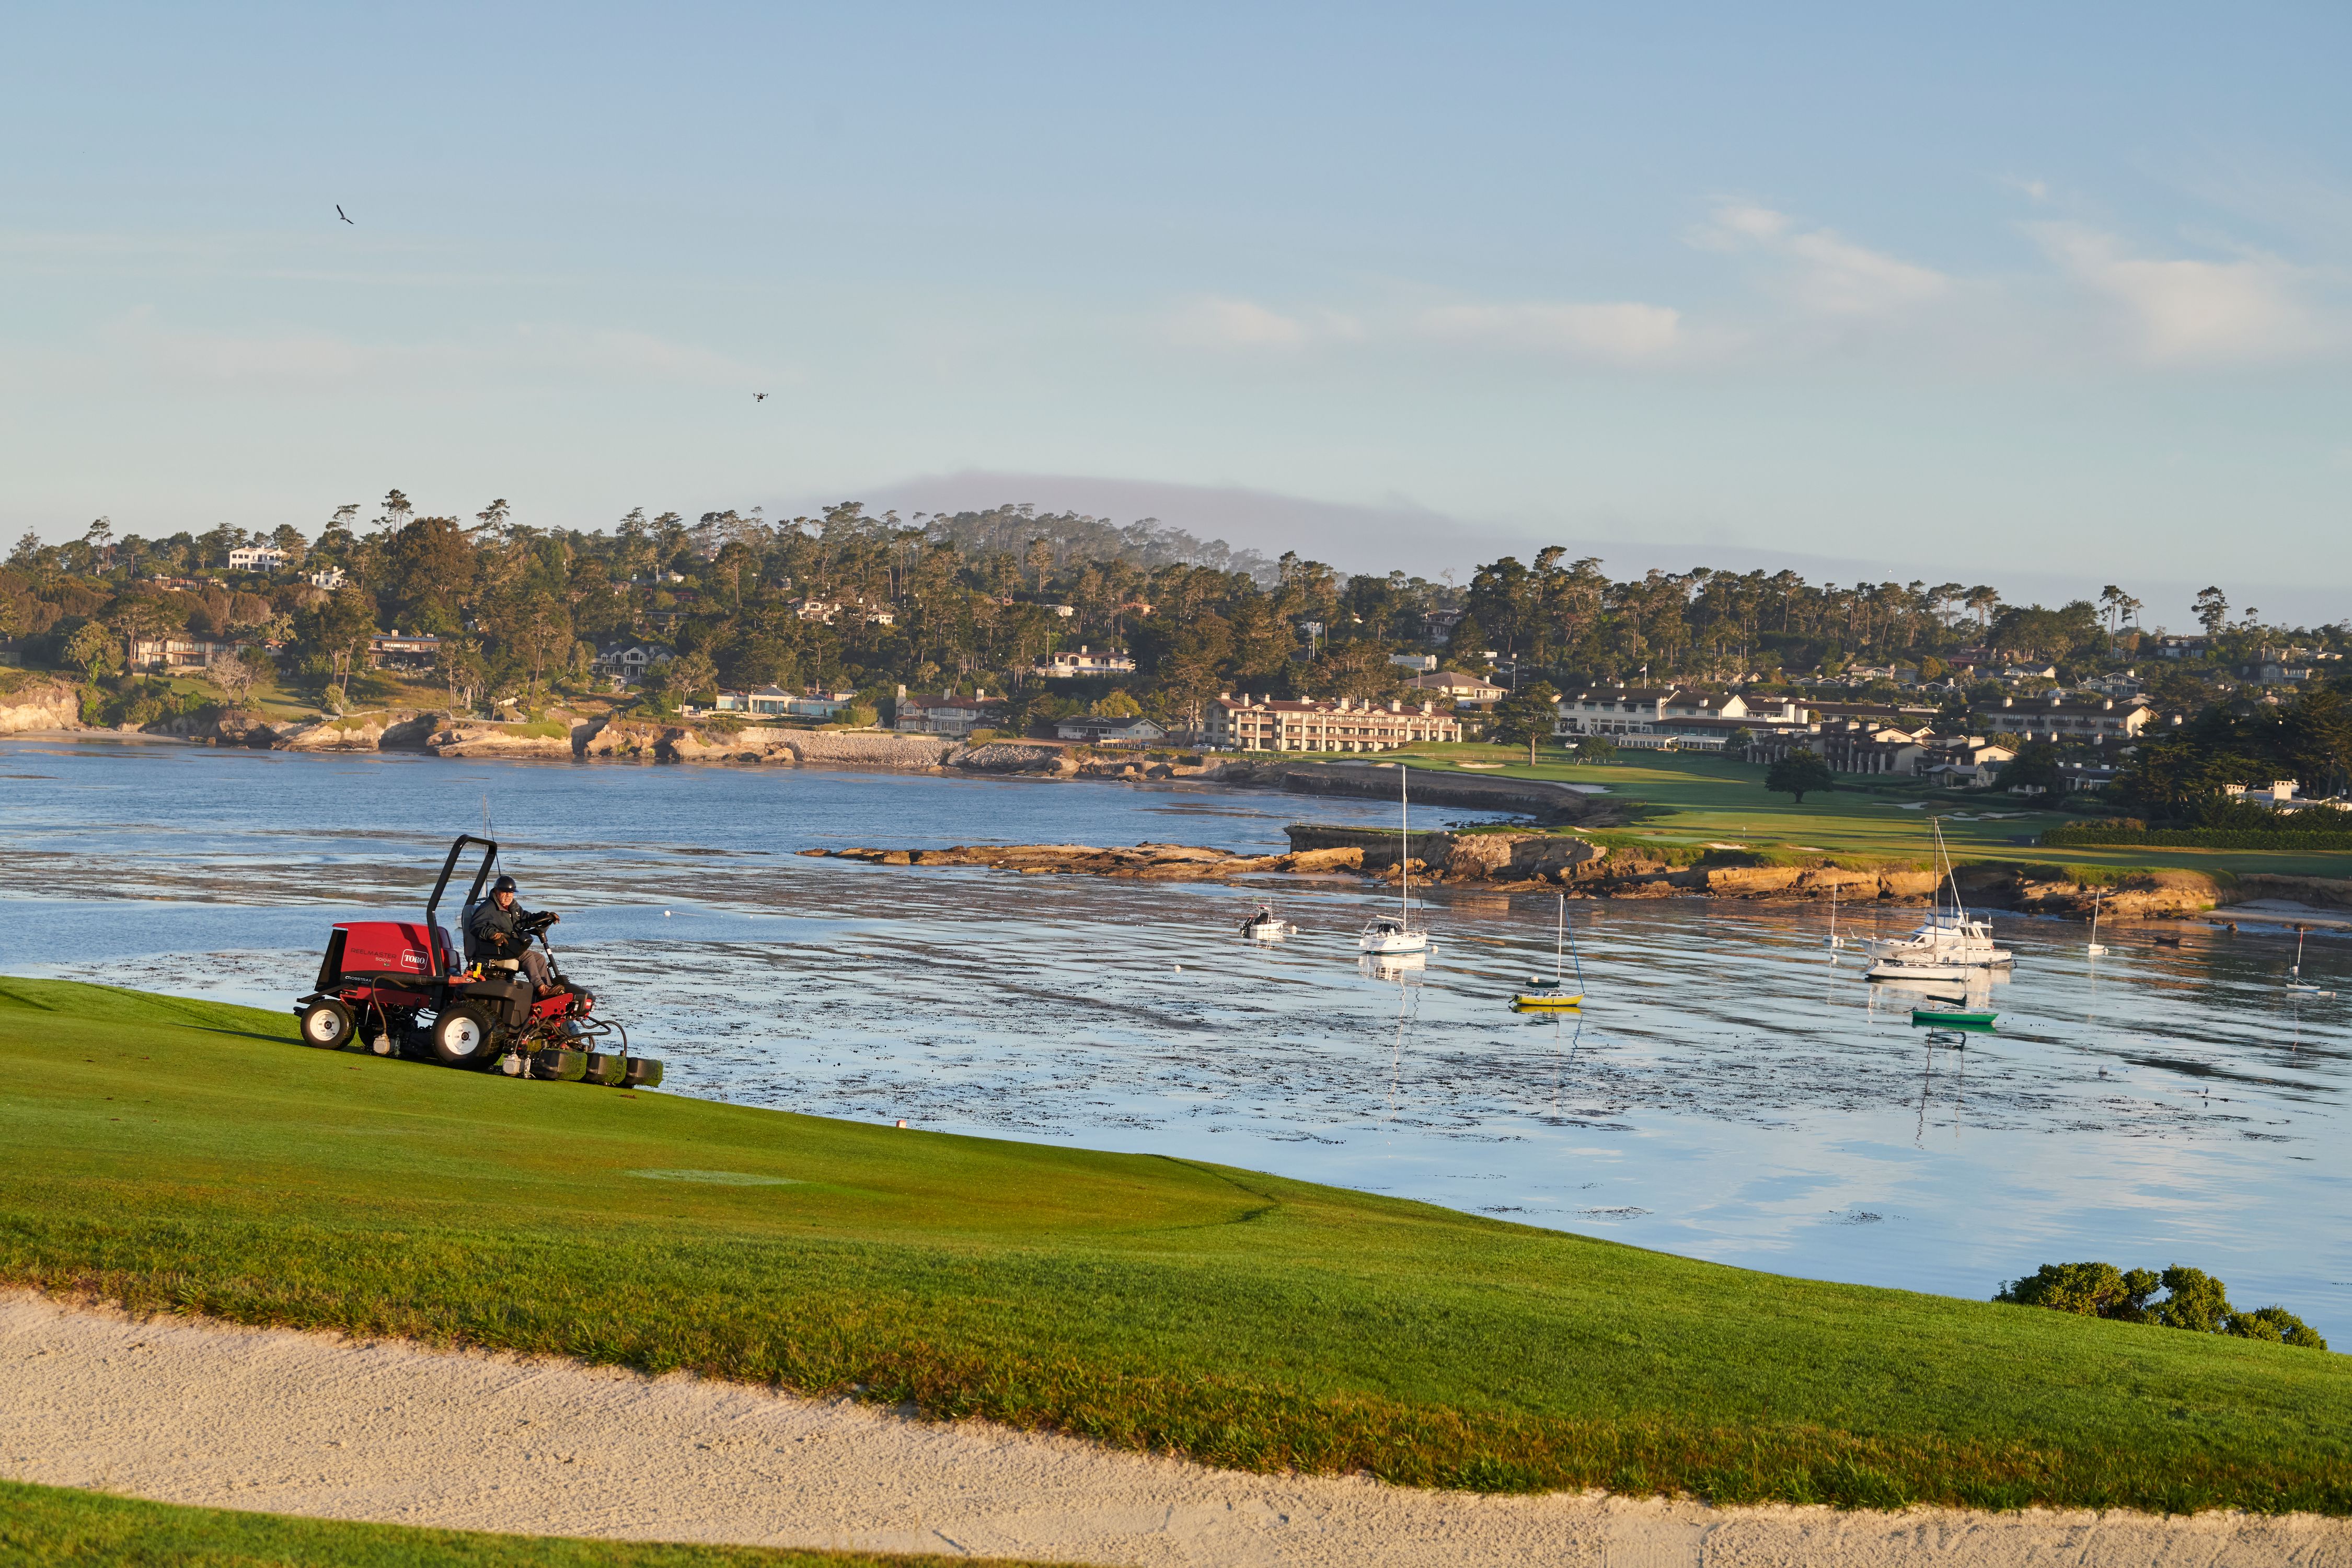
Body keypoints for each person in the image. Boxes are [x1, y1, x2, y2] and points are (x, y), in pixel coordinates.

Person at [471, 874, 559, 993]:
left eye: (511, 893)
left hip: (511, 947)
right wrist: (494, 934)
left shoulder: (513, 906)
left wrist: (545, 915)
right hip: (496, 949)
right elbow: (476, 926)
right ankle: (540, 988)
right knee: (527, 956)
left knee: (540, 958)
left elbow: (526, 918)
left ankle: (548, 989)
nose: (509, 896)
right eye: (505, 892)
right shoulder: (487, 909)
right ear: (496, 891)